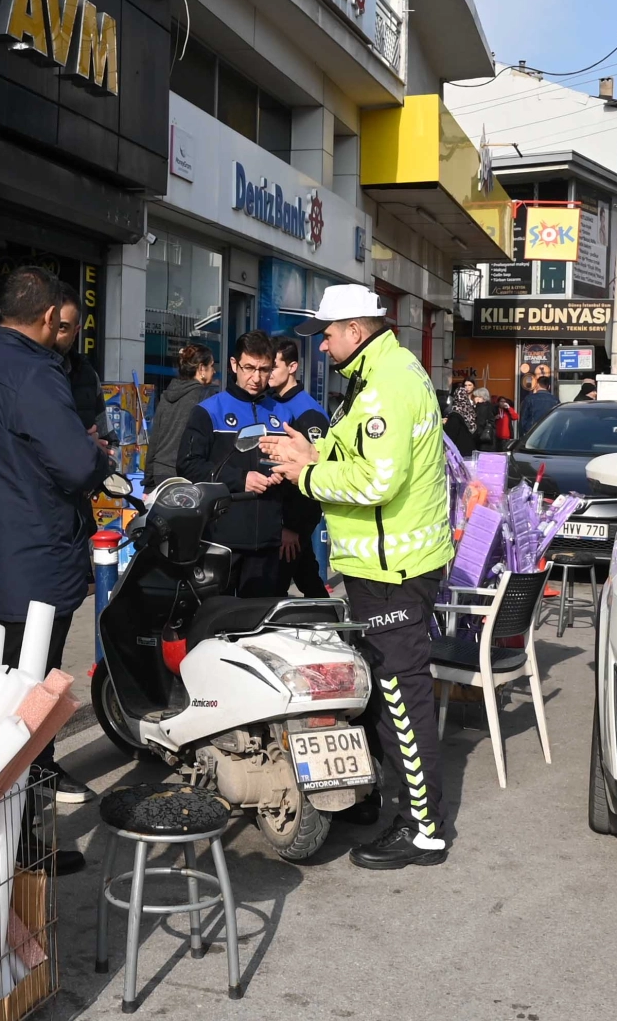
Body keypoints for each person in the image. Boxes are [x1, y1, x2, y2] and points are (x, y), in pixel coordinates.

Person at [262, 284, 456, 870]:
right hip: (382, 563)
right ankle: (387, 800)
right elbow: (360, 456)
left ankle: (423, 828)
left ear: (355, 329)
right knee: (380, 690)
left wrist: (304, 475)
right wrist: (314, 451)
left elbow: (376, 483)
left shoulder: (387, 384)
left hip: (392, 568)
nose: (320, 345)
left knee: (400, 694)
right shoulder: (379, 373)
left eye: (326, 333)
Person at [0, 267, 108, 844]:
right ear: (45, 318)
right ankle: (21, 846)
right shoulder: (35, 373)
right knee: (28, 701)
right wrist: (97, 455)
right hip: (35, 558)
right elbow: (78, 466)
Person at [178, 330, 293, 597]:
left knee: (261, 630)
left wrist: (285, 476)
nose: (256, 377)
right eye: (249, 368)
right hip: (221, 541)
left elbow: (300, 469)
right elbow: (188, 465)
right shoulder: (208, 410)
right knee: (217, 626)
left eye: (264, 369)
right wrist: (240, 479)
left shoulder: (283, 414)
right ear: (233, 365)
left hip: (268, 542)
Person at [268, 336, 330, 598]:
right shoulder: (269, 403)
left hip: (291, 524)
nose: (266, 373)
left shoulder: (308, 413)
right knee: (308, 581)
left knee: (275, 591)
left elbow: (316, 473)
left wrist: (293, 526)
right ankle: (335, 631)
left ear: (292, 367)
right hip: (274, 518)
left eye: (273, 367)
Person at [145, 344, 217, 490]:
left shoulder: (167, 395)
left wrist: (148, 481)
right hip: (185, 474)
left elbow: (155, 440)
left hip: (160, 473)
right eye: (211, 366)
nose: (214, 371)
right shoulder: (205, 397)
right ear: (202, 369)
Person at [55, 285, 105, 432]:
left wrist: (93, 447)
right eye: (50, 324)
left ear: (75, 331)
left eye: (62, 327)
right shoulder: (21, 372)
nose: (53, 334)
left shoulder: (88, 376)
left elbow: (107, 439)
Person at [444, 382, 478, 457]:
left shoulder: (455, 415)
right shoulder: (470, 412)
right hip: (470, 450)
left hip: (458, 453)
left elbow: (449, 436)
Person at [472, 387, 499, 452]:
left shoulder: (481, 407)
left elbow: (480, 423)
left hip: (482, 440)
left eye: (477, 396)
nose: (475, 398)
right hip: (489, 438)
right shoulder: (489, 406)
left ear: (482, 397)